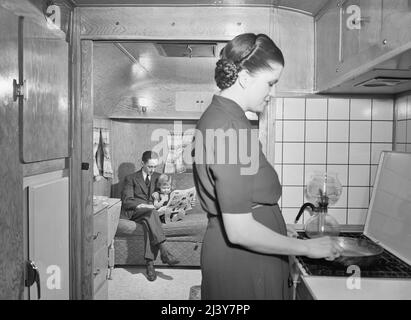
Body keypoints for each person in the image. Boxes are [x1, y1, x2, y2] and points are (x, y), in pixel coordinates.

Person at [192, 33, 343, 300]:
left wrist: (275, 227)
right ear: (246, 77)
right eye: (270, 83)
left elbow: (243, 200)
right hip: (244, 263)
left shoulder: (226, 118)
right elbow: (239, 230)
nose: (272, 93)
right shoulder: (228, 127)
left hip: (246, 259)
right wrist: (306, 248)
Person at [121, 151, 179, 282]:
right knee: (151, 212)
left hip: (151, 214)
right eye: (150, 167)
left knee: (149, 222)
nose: (153, 170)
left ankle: (150, 265)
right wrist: (144, 205)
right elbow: (127, 201)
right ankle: (164, 250)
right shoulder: (130, 178)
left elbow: (169, 192)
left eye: (155, 167)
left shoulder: (159, 177)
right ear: (142, 163)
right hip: (136, 212)